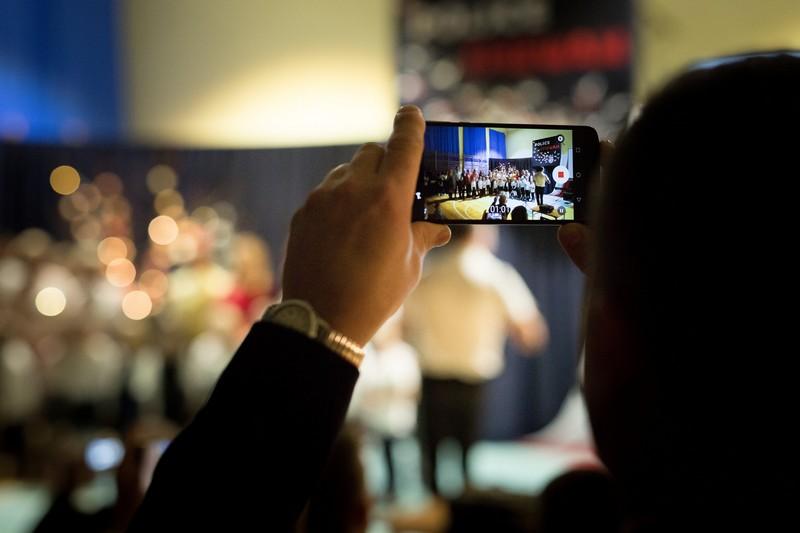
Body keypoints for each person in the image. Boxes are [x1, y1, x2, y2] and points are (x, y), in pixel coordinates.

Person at [132, 54, 797, 530]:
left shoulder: (460, 274)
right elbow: (528, 329)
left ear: (619, 342)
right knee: (456, 463)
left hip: (438, 374)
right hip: (468, 374)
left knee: (437, 465)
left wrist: (316, 323)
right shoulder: (504, 282)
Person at [403, 225, 548, 494]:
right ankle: (465, 504)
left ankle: (434, 504)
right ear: (480, 233)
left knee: (430, 452)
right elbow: (530, 333)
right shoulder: (496, 274)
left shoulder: (428, 271)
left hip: (432, 374)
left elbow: (402, 326)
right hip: (473, 376)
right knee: (467, 455)